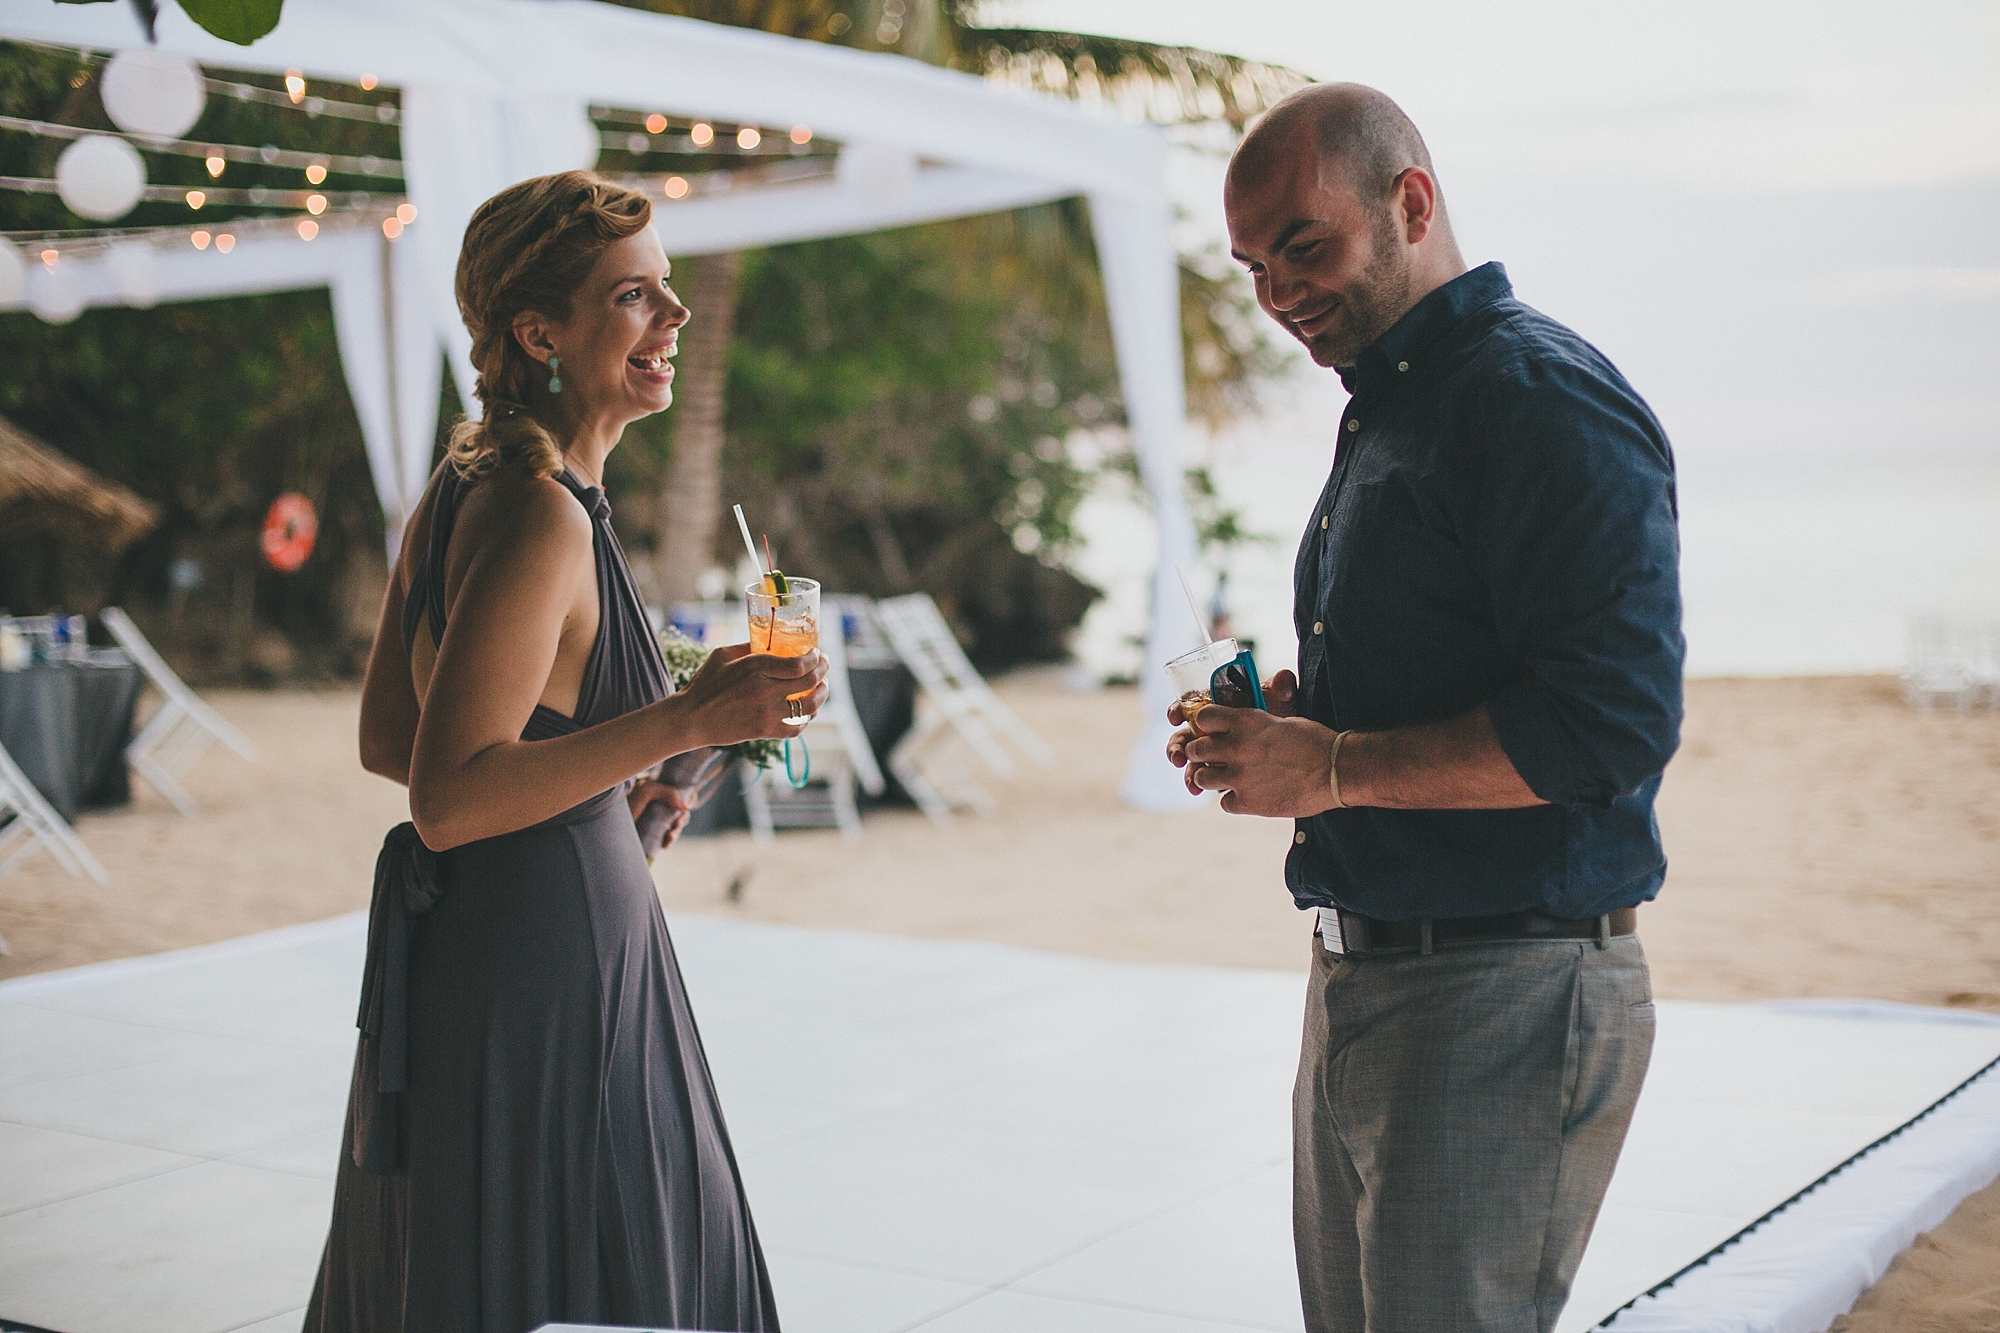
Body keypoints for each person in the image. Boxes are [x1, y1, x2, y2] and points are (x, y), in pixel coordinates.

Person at [1169, 85, 1682, 1332]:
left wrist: (1330, 765)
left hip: (1504, 987)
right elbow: (1452, 666)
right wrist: (1297, 725)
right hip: (1369, 975)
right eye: (1251, 264)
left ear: (1410, 202)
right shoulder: (1395, 406)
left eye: (1303, 245)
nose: (1277, 291)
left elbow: (1606, 725)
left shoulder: (1536, 400)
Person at [306, 171, 826, 1332]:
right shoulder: (541, 511)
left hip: (509, 932)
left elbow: (394, 735)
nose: (674, 319)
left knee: (501, 1248)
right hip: (551, 972)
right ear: (538, 330)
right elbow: (443, 794)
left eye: (670, 291)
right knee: (606, 1251)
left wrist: (615, 793)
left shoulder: (464, 485)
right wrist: (688, 722)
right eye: (636, 297)